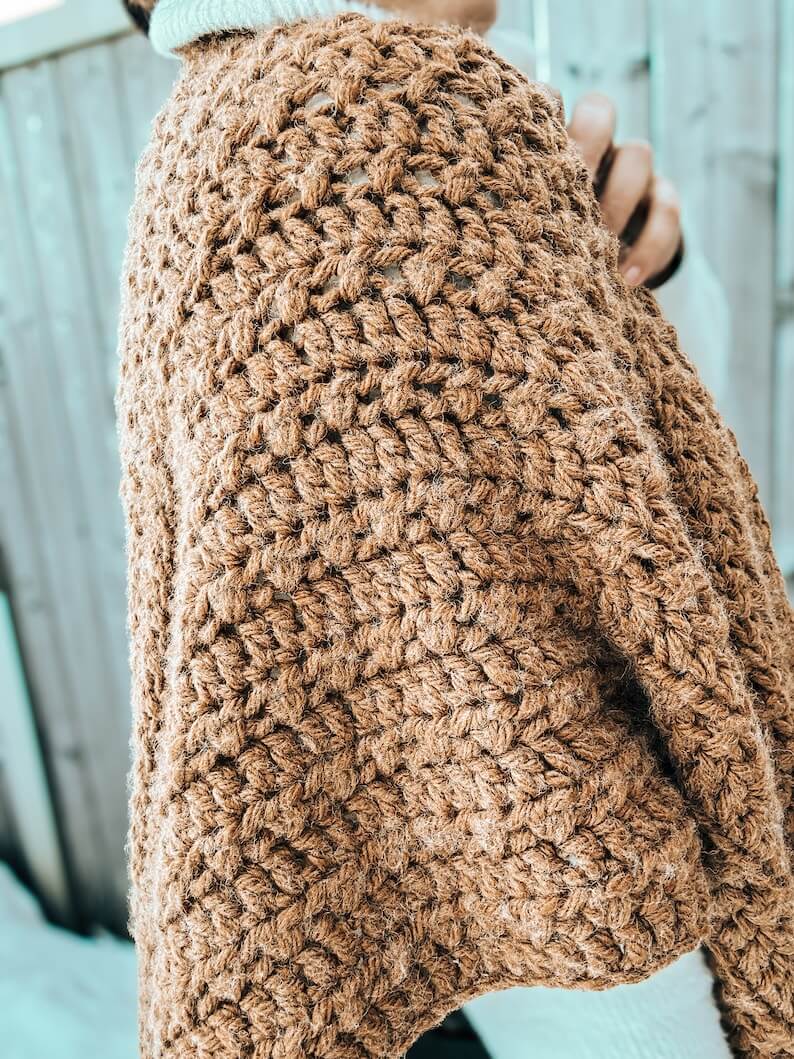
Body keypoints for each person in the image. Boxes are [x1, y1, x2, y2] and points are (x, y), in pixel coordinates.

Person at [117, 2, 792, 1058]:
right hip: (574, 979)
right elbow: (507, 756)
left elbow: (652, 476)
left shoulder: (208, 143)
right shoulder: (371, 123)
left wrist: (643, 276)